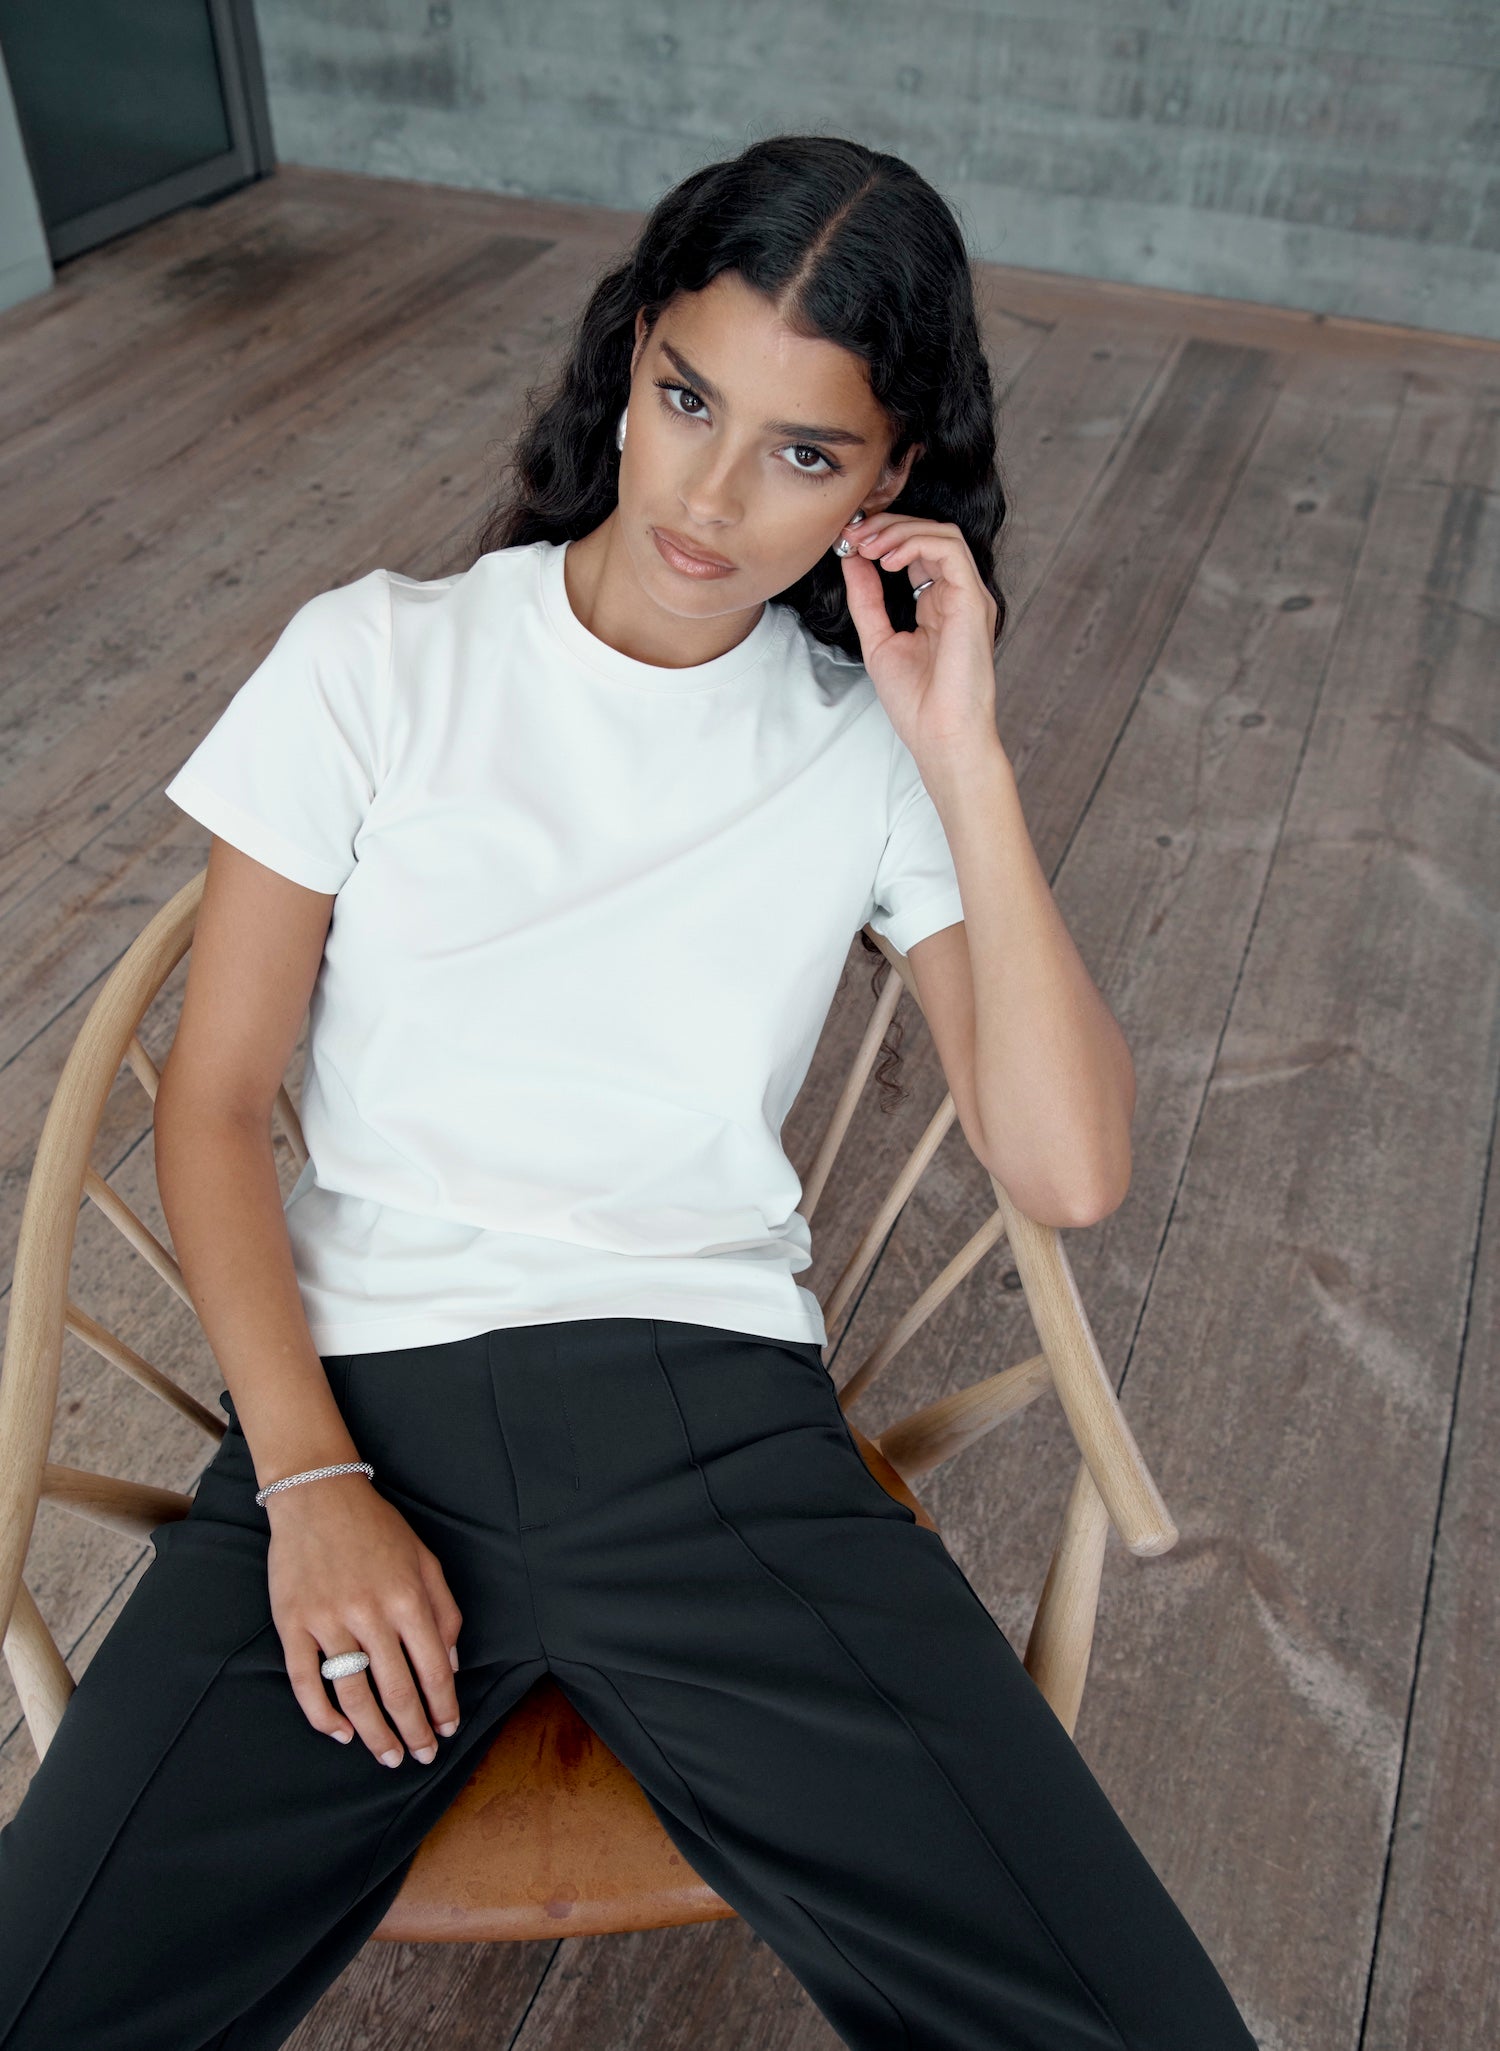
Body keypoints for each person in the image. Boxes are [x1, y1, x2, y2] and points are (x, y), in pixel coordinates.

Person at [0, 135, 1259, 2050]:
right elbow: (216, 1100)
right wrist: (313, 1485)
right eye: (689, 401)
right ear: (630, 354)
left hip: (714, 1432)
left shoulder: (863, 751)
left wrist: (967, 756)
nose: (714, 495)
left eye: (805, 453)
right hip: (361, 1410)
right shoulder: (378, 659)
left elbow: (1070, 1168)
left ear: (892, 483)